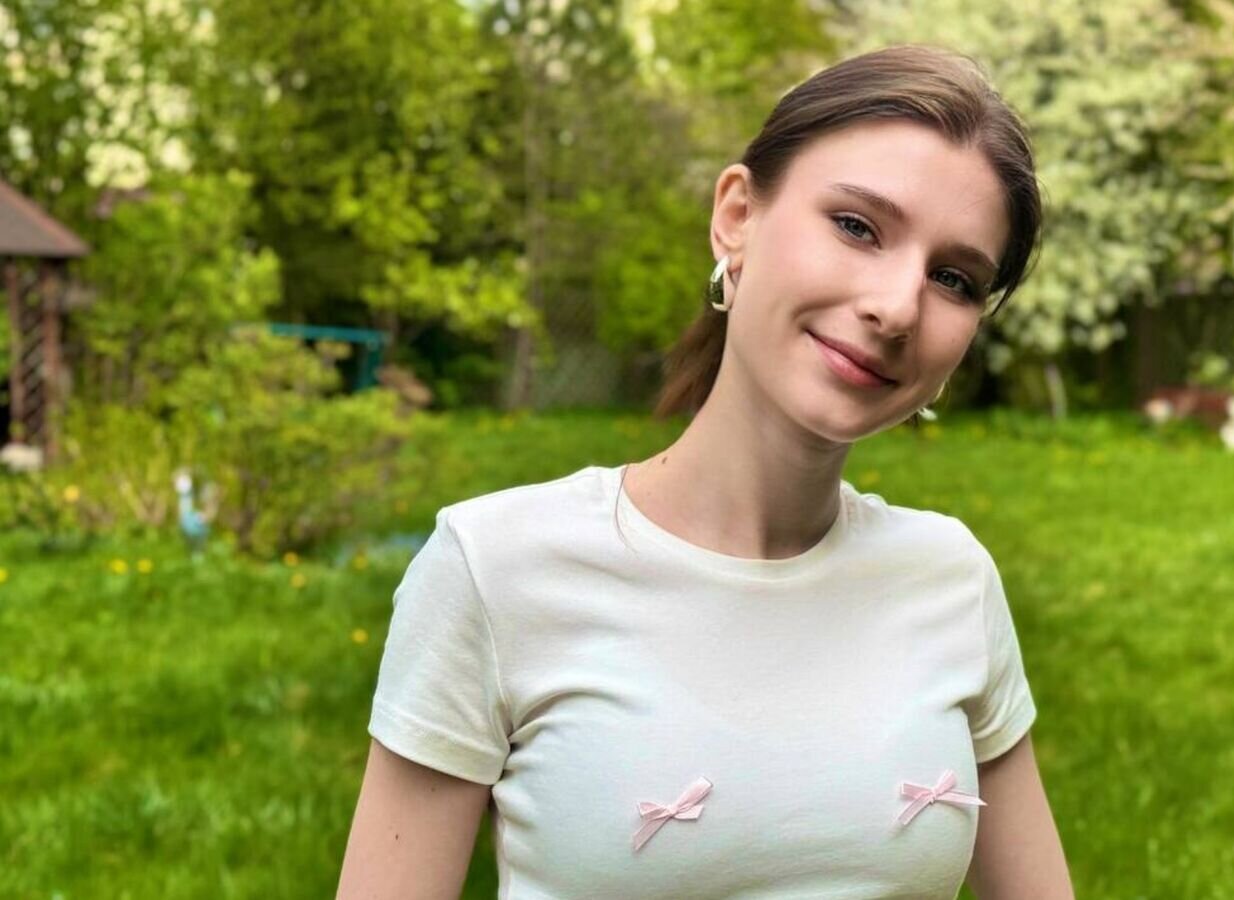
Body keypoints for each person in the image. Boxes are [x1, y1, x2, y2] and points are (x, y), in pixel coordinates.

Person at [338, 43, 1075, 900]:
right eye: (856, 226)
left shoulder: (952, 580)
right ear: (737, 217)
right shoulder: (496, 569)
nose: (896, 306)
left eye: (953, 278)